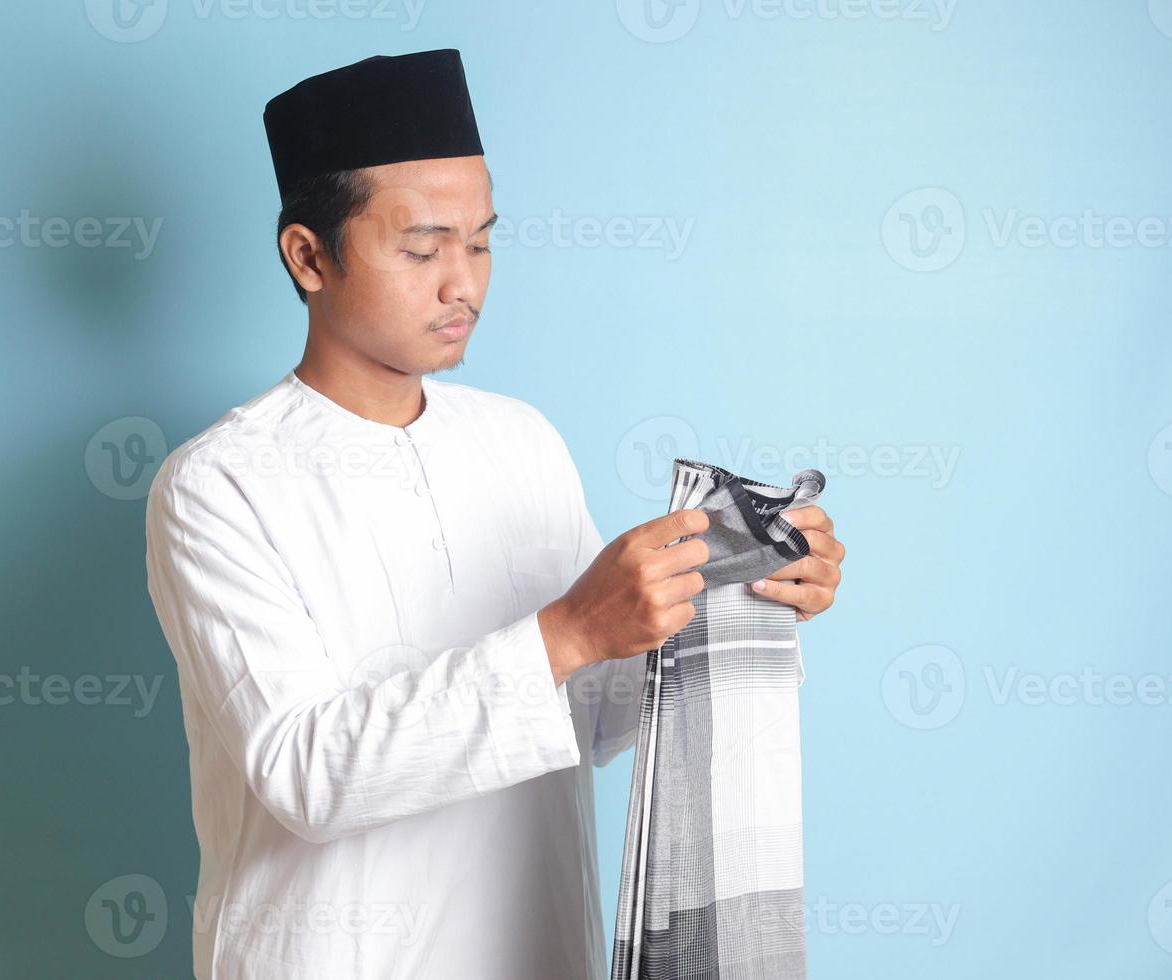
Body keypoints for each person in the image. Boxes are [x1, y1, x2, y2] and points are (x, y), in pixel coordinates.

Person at [144, 48, 846, 980]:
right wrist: (567, 629)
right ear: (310, 256)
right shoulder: (218, 486)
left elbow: (591, 712)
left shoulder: (519, 441)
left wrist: (737, 585)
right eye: (422, 248)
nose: (462, 283)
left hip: (537, 952)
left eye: (480, 242)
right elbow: (307, 775)